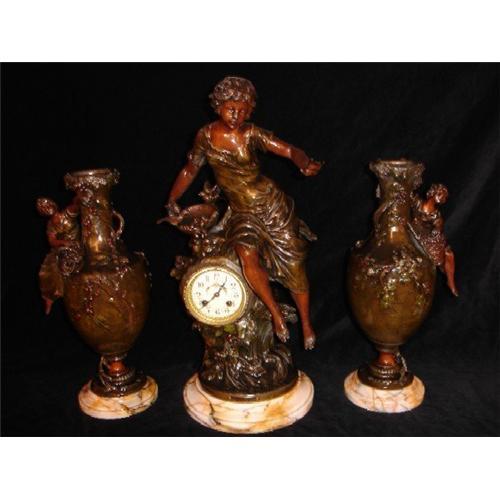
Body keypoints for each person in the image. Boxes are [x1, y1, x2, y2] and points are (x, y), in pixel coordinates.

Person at [167, 76, 322, 349]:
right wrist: (172, 198)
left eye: (242, 110)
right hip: (241, 212)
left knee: (295, 265)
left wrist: (303, 161)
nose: (236, 115)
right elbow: (190, 170)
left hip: (271, 206)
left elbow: (288, 149)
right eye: (230, 109)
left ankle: (306, 323)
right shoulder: (205, 137)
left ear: (249, 111)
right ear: (218, 106)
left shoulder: (251, 134)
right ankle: (275, 314)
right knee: (246, 254)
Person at [411, 183, 458, 296]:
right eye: (441, 194)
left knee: (448, 252)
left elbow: (439, 226)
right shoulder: (417, 202)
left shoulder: (436, 215)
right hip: (414, 232)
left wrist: (437, 229)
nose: (442, 198)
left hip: (426, 236)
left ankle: (450, 281)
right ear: (433, 193)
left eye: (444, 197)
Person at [36, 196, 81, 314]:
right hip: (63, 248)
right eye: (43, 209)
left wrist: (78, 198)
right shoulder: (50, 225)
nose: (47, 209)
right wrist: (63, 242)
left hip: (78, 245)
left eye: (47, 205)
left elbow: (77, 205)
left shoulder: (67, 213)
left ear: (53, 204)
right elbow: (51, 241)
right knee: (49, 268)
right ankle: (50, 297)